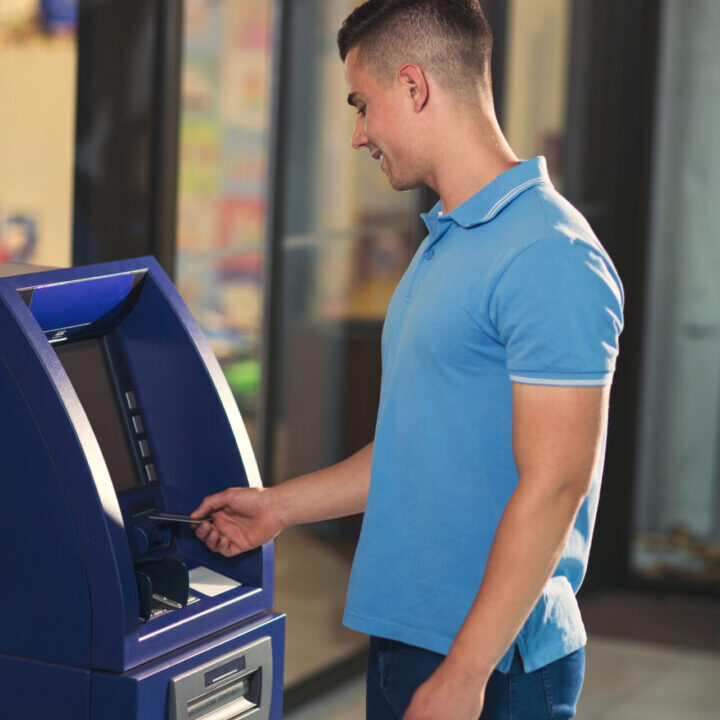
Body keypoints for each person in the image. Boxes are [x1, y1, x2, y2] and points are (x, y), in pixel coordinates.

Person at [192, 1, 624, 718]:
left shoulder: (550, 255)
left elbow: (557, 484)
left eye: (363, 104)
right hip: (412, 641)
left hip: (491, 665)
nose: (359, 134)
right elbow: (417, 447)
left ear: (415, 86)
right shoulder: (448, 239)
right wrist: (278, 508)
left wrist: (465, 671)